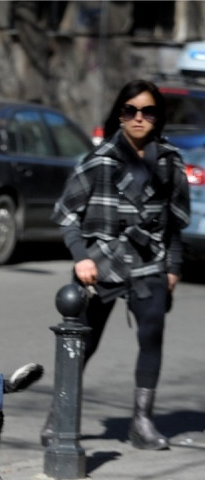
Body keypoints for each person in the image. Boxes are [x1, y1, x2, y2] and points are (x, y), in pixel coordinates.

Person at [44, 79, 190, 450]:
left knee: (152, 337)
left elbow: (174, 222)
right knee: (84, 344)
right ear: (120, 115)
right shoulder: (99, 160)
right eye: (131, 110)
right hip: (100, 265)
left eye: (148, 111)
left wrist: (173, 268)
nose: (139, 118)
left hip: (149, 265)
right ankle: (58, 417)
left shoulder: (170, 161)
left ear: (158, 117)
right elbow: (66, 215)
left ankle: (142, 422)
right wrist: (81, 258)